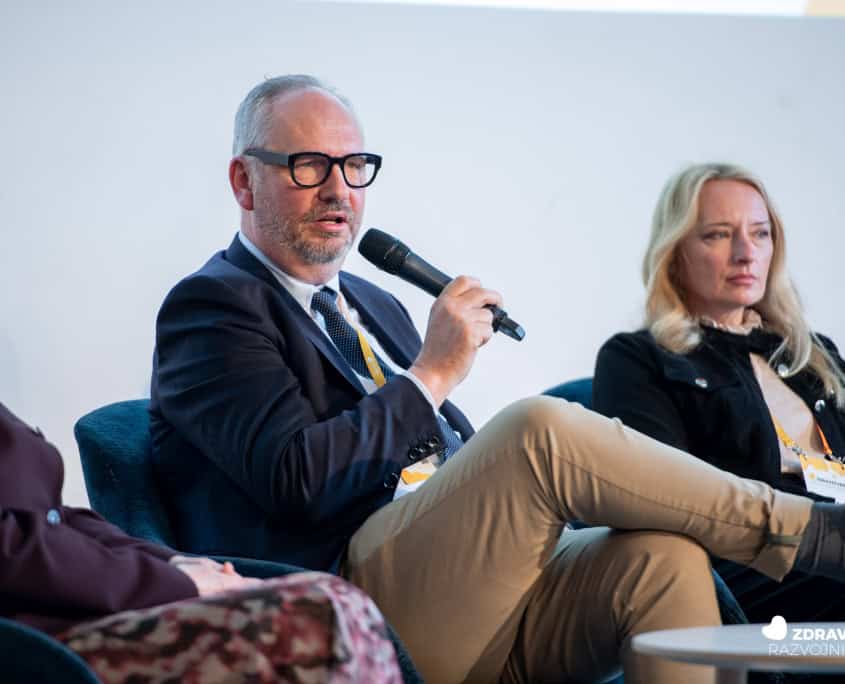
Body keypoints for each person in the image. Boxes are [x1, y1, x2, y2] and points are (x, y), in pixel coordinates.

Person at [150, 76, 845, 684]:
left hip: (464, 594)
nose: (339, 189)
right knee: (537, 429)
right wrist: (432, 372)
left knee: (661, 558)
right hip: (348, 600)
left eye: (355, 166)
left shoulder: (372, 302)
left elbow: (445, 461)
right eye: (309, 166)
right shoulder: (214, 307)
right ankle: (815, 535)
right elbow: (296, 479)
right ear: (243, 181)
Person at [593, 163, 845, 638]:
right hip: (750, 565)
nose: (746, 254)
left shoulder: (815, 356)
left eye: (760, 234)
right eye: (718, 235)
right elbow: (655, 499)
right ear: (675, 252)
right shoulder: (639, 358)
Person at [0, 401, 402, 683]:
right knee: (315, 616)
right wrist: (178, 584)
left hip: (75, 613)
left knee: (336, 599)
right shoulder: (211, 314)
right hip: (32, 647)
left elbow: (58, 518)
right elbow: (13, 547)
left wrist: (174, 564)